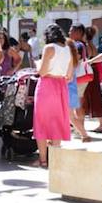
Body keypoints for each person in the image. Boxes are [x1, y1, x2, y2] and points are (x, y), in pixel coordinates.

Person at [33, 24, 74, 167]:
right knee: (57, 122)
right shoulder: (68, 49)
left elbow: (42, 72)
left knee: (41, 122)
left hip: (47, 85)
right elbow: (69, 75)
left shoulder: (49, 48)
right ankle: (55, 160)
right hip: (61, 86)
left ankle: (43, 160)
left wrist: (37, 64)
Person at [70, 24, 102, 136]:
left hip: (85, 74)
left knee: (85, 100)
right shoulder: (88, 45)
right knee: (89, 99)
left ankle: (81, 127)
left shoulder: (81, 45)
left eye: (72, 31)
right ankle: (81, 126)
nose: (69, 33)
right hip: (90, 73)